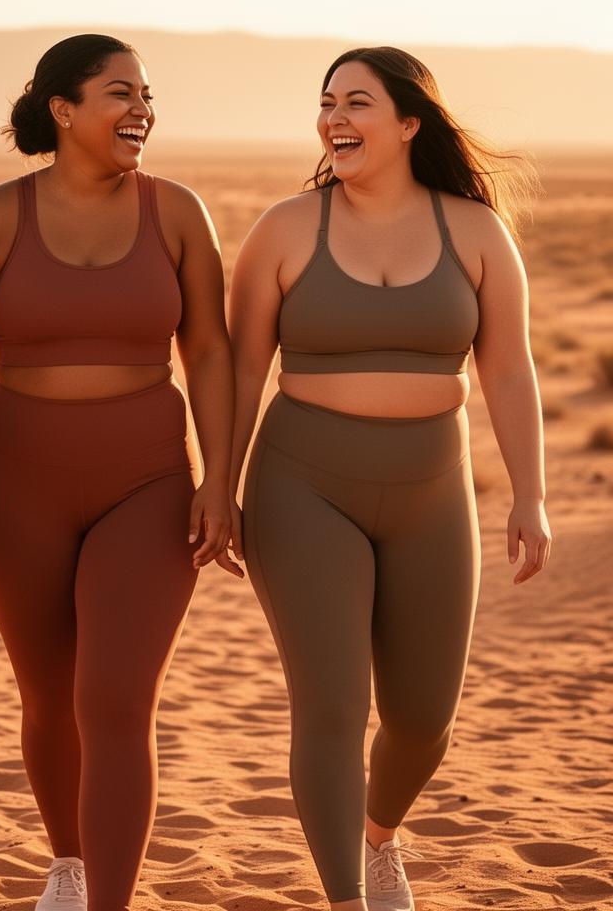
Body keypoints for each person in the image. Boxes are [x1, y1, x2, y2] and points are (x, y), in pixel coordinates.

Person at [229, 46, 551, 911]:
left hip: (432, 491)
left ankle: (378, 837)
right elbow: (241, 370)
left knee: (422, 718)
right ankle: (346, 898)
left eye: (357, 102)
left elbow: (508, 369)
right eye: (326, 101)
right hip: (302, 486)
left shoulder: (476, 233)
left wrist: (530, 494)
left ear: (410, 122)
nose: (334, 118)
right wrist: (217, 486)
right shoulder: (285, 230)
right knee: (331, 707)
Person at [0, 34, 240, 911]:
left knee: (115, 700)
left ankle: (108, 899)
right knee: (46, 696)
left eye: (148, 95)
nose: (142, 109)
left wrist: (220, 481)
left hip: (147, 480)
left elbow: (210, 352)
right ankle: (67, 867)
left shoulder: (176, 213)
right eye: (121, 93)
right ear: (63, 110)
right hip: (12, 480)